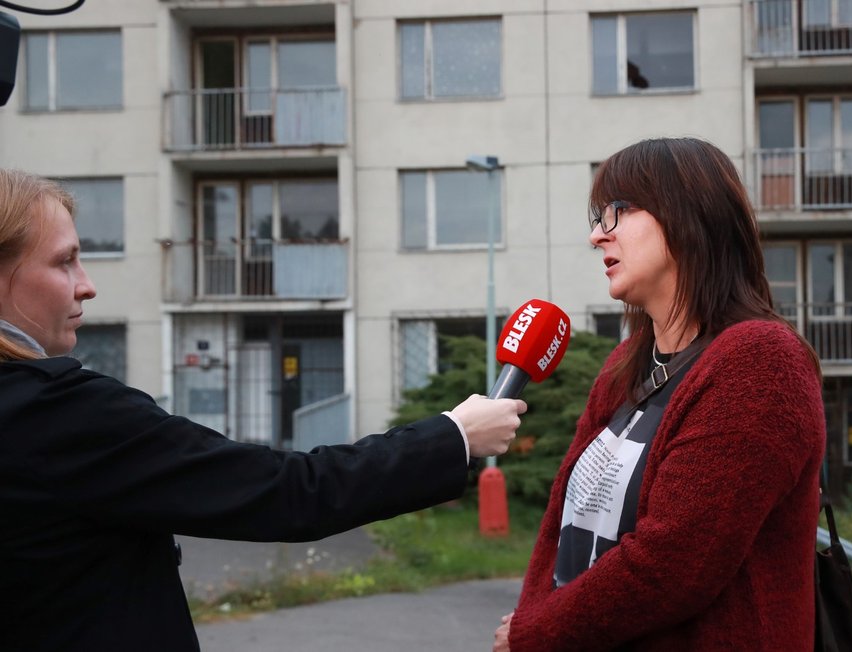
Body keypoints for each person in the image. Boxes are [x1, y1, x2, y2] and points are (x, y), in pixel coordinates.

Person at [0, 168, 527, 652]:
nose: (87, 283)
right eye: (64, 260)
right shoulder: (58, 413)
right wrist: (455, 435)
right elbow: (290, 492)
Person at [494, 138, 825, 651]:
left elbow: (675, 563)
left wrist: (534, 634)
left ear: (689, 214)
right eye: (598, 217)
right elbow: (559, 531)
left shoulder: (761, 361)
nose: (596, 237)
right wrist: (535, 619)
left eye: (618, 212)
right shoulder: (622, 368)